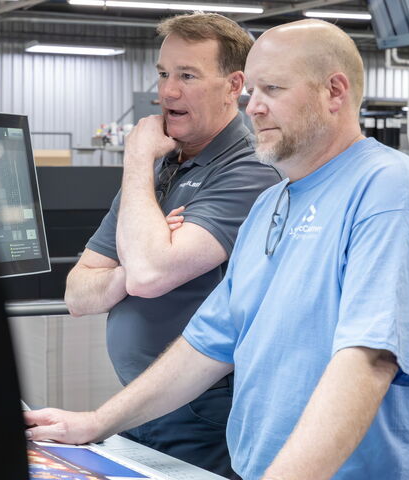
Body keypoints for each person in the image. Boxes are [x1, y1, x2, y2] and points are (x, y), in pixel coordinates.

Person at [29, 19, 409, 480]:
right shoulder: (271, 205)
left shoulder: (390, 193)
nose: (253, 107)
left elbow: (367, 361)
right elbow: (207, 345)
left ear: (334, 92)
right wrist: (96, 422)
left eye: (272, 88)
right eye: (252, 91)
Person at [62, 12, 281, 478]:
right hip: (142, 403)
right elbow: (78, 294)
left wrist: (137, 158)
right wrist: (128, 270)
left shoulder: (249, 172)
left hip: (202, 412)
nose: (167, 92)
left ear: (232, 85)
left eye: (187, 76)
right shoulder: (160, 173)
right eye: (163, 74)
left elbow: (152, 273)